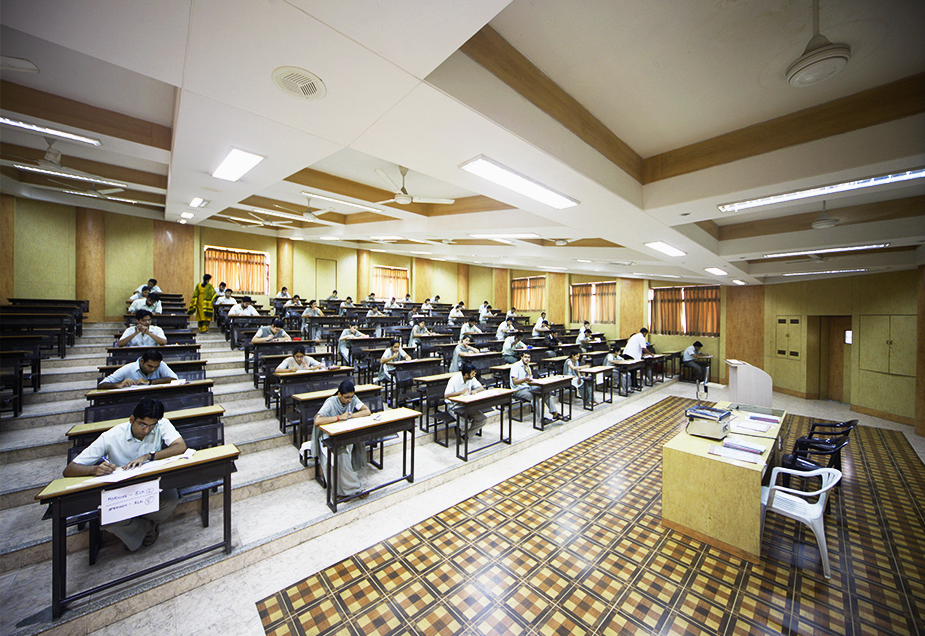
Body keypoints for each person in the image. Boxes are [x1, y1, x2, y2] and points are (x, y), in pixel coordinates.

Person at [63, 398, 186, 551]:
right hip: (121, 489)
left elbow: (180, 446)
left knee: (171, 500)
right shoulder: (111, 436)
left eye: (151, 426)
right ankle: (147, 528)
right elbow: (70, 469)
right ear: (132, 419)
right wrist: (94, 470)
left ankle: (137, 524)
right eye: (142, 424)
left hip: (151, 483)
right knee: (108, 520)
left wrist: (150, 456)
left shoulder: (161, 425)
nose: (146, 430)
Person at [311, 380, 372, 498]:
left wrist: (350, 416)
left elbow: (367, 411)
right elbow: (317, 420)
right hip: (327, 437)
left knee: (345, 453)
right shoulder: (331, 402)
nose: (349, 400)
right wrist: (339, 417)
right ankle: (354, 489)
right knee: (341, 455)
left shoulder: (353, 399)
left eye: (351, 397)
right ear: (339, 394)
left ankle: (347, 489)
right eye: (346, 397)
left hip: (344, 434)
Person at [510, 351, 560, 423]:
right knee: (534, 396)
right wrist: (525, 379)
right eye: (525, 357)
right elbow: (514, 382)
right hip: (518, 390)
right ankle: (541, 418)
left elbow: (530, 380)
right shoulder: (515, 366)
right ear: (521, 357)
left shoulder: (528, 367)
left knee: (545, 391)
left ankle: (554, 413)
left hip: (527, 387)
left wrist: (531, 375)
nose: (527, 359)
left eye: (529, 357)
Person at [444, 361, 487, 436]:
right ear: (466, 374)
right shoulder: (454, 380)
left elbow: (481, 388)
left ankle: (465, 435)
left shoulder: (471, 379)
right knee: (465, 425)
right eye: (472, 373)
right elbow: (446, 396)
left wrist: (475, 390)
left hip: (467, 405)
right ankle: (463, 433)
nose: (474, 375)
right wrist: (461, 392)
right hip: (454, 406)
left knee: (483, 419)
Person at [98, 349, 178, 389]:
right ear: (142, 361)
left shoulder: (161, 365)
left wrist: (150, 382)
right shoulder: (128, 368)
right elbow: (101, 385)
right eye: (149, 366)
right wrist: (119, 384)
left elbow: (174, 380)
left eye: (156, 367)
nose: (153, 369)